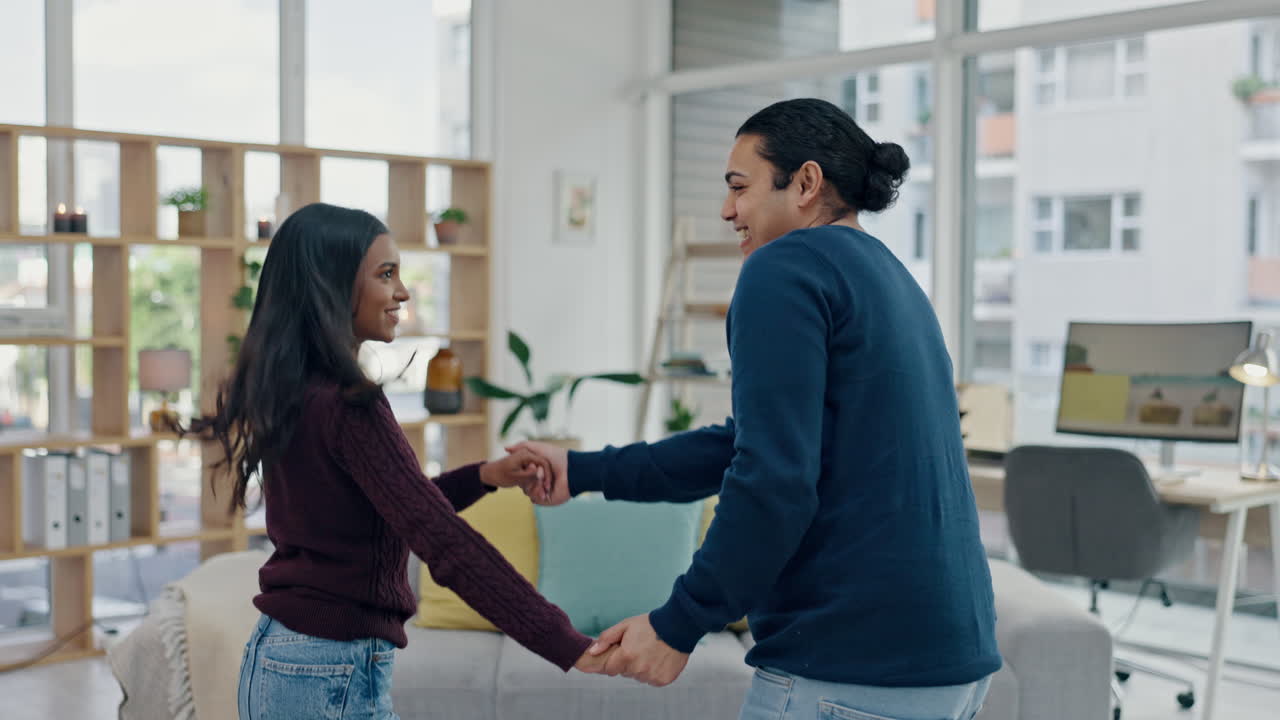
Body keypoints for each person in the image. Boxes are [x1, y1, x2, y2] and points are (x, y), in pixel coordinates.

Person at [512, 98, 1000, 720]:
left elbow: (773, 480)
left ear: (806, 183)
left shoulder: (784, 267)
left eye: (739, 187)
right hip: (949, 661)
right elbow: (745, 445)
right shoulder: (893, 277)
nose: (726, 210)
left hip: (849, 668)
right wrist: (583, 470)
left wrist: (678, 623)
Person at [192, 203, 612, 720]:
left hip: (284, 659)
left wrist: (485, 476)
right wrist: (565, 642)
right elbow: (441, 539)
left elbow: (385, 507)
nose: (403, 292)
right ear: (333, 285)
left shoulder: (297, 392)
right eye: (386, 274)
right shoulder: (351, 406)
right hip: (329, 672)